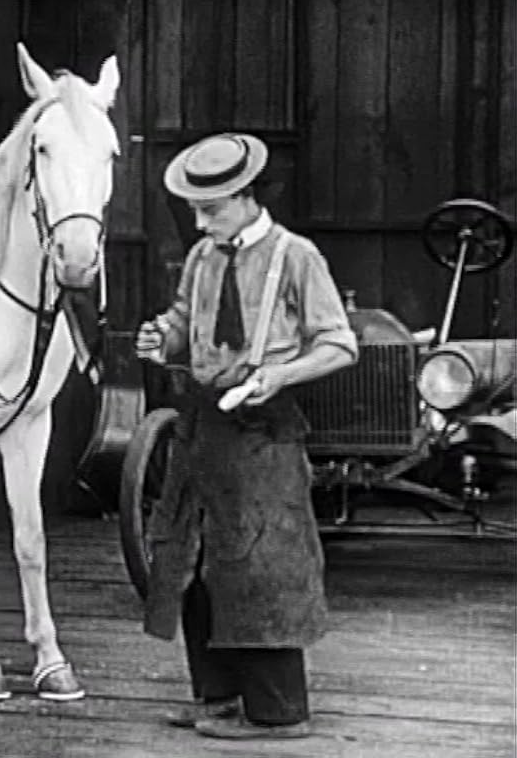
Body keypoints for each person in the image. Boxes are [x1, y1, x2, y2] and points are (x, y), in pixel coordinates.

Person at [135, 133, 358, 739]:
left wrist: (279, 375)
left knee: (264, 561)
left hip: (265, 426)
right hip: (205, 421)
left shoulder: (297, 256)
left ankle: (279, 713)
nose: (201, 223)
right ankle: (219, 695)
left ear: (245, 196)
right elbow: (186, 324)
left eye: (212, 210)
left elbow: (339, 343)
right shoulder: (205, 258)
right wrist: (164, 340)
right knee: (193, 554)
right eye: (195, 212)